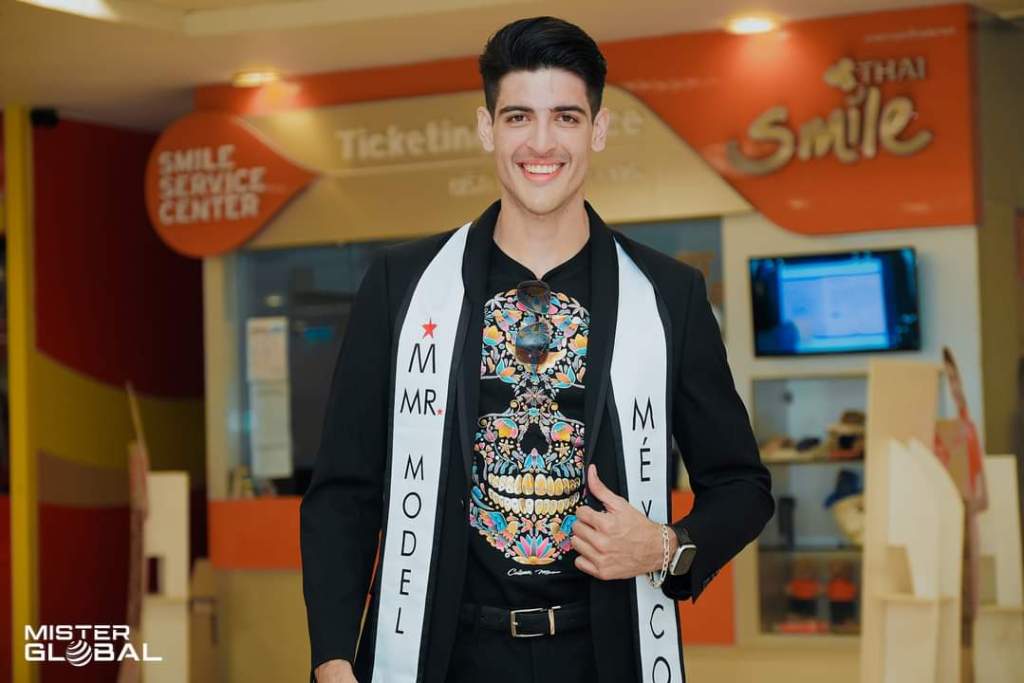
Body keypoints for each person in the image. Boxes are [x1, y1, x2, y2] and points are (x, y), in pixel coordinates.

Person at [301, 16, 774, 683]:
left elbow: (742, 486)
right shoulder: (404, 287)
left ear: (598, 130)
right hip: (438, 654)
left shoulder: (667, 295)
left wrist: (667, 546)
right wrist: (331, 659)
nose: (542, 142)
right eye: (519, 116)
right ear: (487, 128)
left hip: (601, 655)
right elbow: (342, 492)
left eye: (566, 118)